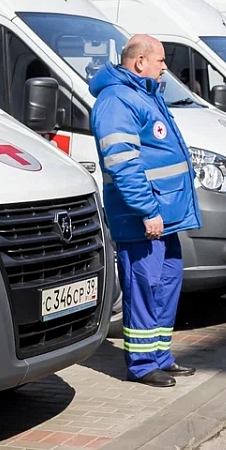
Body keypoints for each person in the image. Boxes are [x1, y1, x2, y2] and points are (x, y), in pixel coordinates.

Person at [91, 34, 201, 388]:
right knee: (143, 284)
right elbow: (123, 163)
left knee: (167, 283)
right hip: (144, 217)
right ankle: (140, 365)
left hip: (163, 216)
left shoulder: (145, 94)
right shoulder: (116, 101)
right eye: (161, 60)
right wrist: (147, 210)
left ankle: (160, 356)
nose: (165, 67)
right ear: (140, 62)